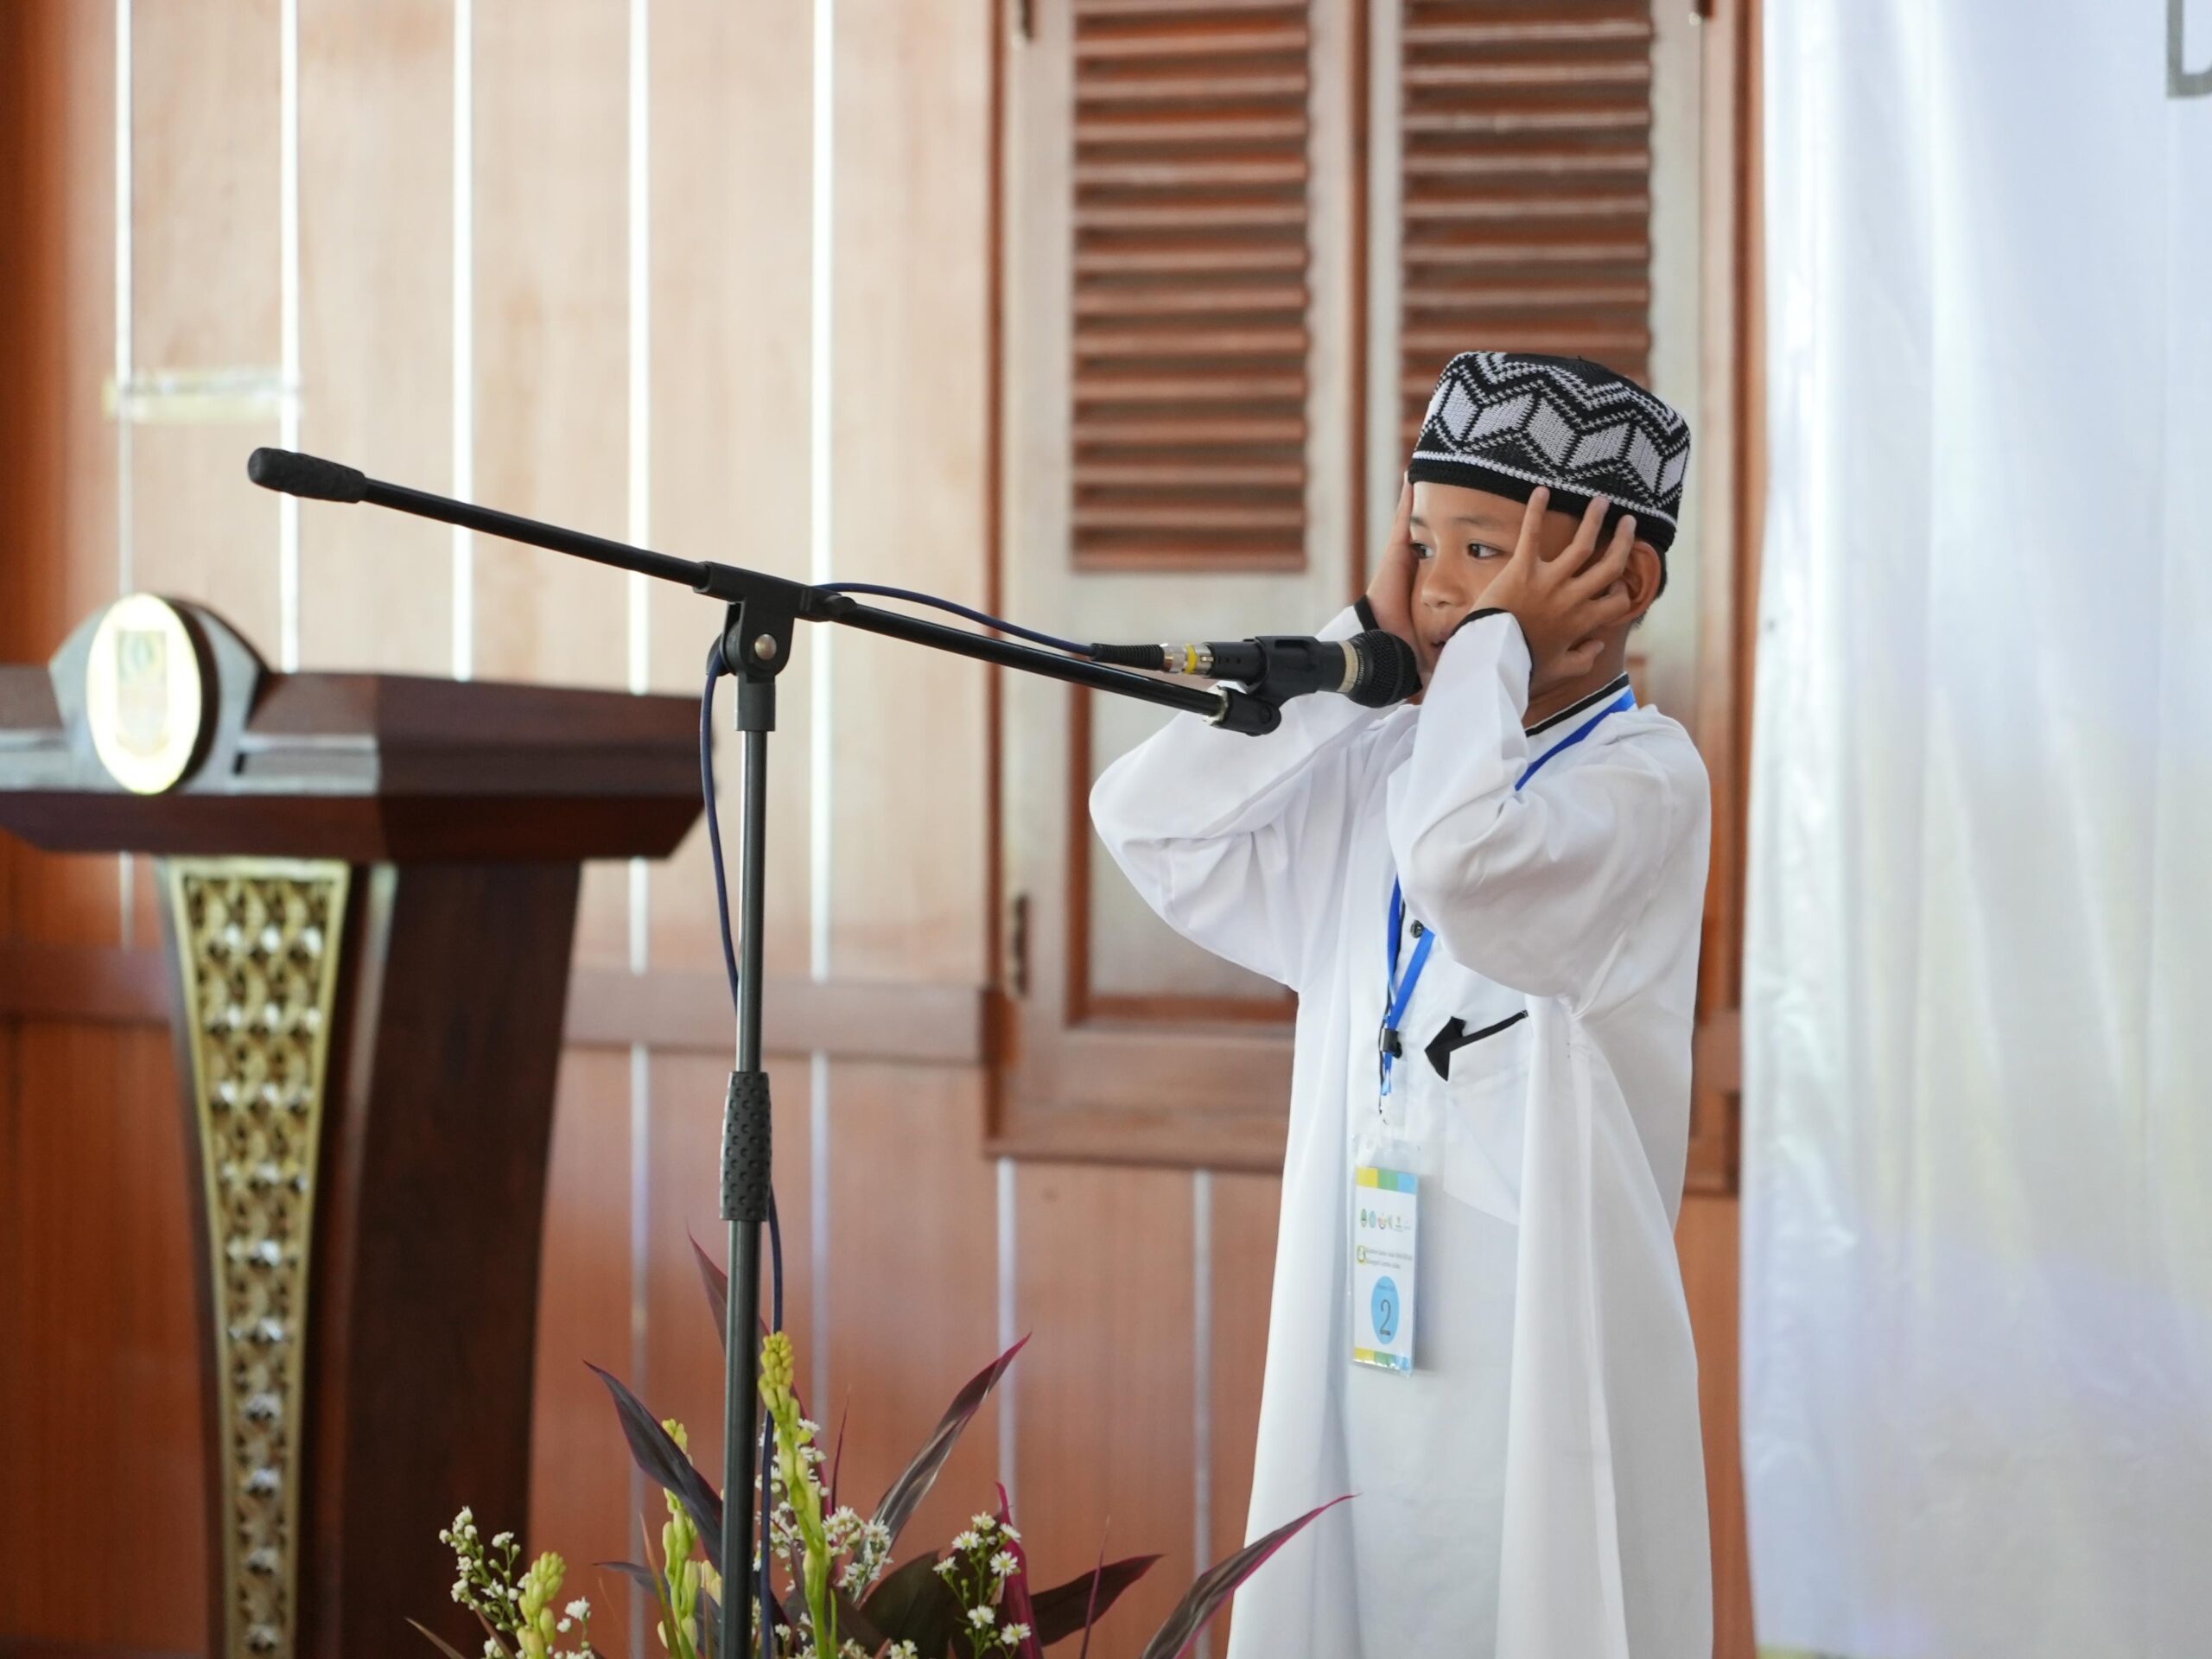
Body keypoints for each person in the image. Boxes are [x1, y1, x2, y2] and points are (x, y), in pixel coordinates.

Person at [1090, 352, 1713, 1658]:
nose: (1441, 592)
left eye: (1487, 553)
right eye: (1422, 545)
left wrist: (1486, 655)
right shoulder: (1389, 760)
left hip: (1528, 1361)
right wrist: (1346, 654)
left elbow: (1462, 858)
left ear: (1627, 581)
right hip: (1366, 1333)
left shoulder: (1647, 784)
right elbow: (1145, 823)